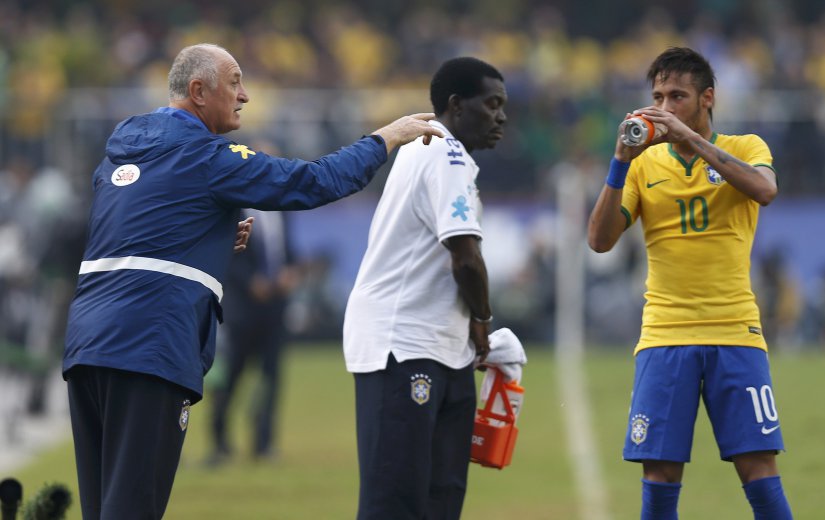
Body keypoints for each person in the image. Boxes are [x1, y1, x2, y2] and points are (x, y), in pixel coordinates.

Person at [62, 42, 443, 520]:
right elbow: (313, 181)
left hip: (87, 344)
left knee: (100, 507)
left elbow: (132, 234)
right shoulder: (206, 156)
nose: (245, 96)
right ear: (199, 92)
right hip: (149, 345)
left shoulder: (122, 151)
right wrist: (386, 136)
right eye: (235, 82)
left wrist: (213, 236)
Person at [587, 47, 793, 519]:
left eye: (676, 96)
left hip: (735, 331)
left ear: (707, 98)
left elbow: (765, 190)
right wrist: (620, 160)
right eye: (657, 96)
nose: (664, 107)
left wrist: (688, 139)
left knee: (758, 468)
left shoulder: (746, 147)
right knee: (659, 474)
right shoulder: (643, 166)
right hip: (664, 336)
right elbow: (599, 241)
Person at [343, 56, 506, 519]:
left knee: (438, 498)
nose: (501, 116)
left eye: (503, 106)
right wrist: (483, 320)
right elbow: (466, 258)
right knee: (397, 500)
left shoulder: (440, 155)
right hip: (404, 345)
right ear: (456, 106)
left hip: (438, 347)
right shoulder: (443, 149)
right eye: (491, 104)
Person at [207, 208, 299, 465]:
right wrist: (250, 281)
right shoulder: (233, 208)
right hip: (242, 311)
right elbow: (227, 254)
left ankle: (263, 444)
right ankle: (220, 443)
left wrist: (290, 271)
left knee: (270, 379)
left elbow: (285, 250)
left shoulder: (281, 211)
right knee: (230, 379)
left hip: (274, 309)